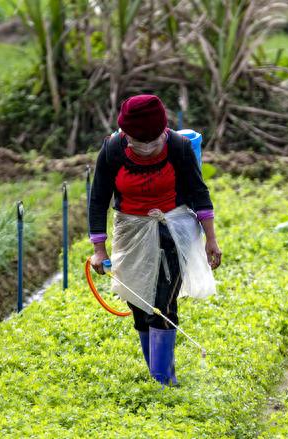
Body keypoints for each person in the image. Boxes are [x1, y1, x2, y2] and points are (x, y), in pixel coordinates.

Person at [89, 94, 222, 386]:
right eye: (140, 143)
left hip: (174, 228)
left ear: (164, 131)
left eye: (154, 142)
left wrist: (211, 239)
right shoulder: (112, 150)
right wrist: (99, 249)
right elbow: (98, 199)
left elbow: (200, 194)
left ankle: (164, 380)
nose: (147, 149)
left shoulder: (179, 147)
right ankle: (156, 374)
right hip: (130, 229)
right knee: (139, 301)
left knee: (164, 300)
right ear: (126, 135)